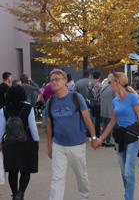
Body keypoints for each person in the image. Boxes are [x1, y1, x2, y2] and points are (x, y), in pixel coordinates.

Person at [95, 72, 139, 200]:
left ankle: (128, 198)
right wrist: (100, 139)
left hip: (132, 136)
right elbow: (112, 122)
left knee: (129, 172)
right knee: (123, 172)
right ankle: (128, 195)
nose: (110, 85)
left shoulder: (132, 98)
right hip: (119, 137)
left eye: (111, 82)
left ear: (117, 82)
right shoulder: (115, 101)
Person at [46, 69, 98, 200]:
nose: (54, 82)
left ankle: (84, 197)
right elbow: (49, 125)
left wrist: (93, 138)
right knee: (57, 178)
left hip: (77, 145)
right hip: (59, 145)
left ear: (65, 81)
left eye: (57, 79)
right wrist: (49, 146)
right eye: (52, 80)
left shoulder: (76, 97)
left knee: (81, 175)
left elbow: (87, 119)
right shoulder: (50, 101)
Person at [0, 85, 39, 200]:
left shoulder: (3, 109)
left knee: (12, 170)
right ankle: (20, 193)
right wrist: (36, 141)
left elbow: (1, 129)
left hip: (9, 143)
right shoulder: (28, 108)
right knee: (25, 169)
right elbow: (33, 128)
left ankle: (14, 193)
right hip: (26, 142)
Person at [100, 78, 115, 147]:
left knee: (103, 126)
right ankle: (108, 142)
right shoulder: (113, 89)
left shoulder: (103, 87)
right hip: (110, 110)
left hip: (103, 110)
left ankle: (102, 140)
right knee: (109, 126)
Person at [88, 72, 102, 137]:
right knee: (97, 120)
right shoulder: (99, 85)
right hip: (97, 104)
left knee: (91, 118)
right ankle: (97, 134)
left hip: (90, 103)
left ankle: (90, 132)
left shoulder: (89, 84)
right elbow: (97, 96)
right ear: (99, 77)